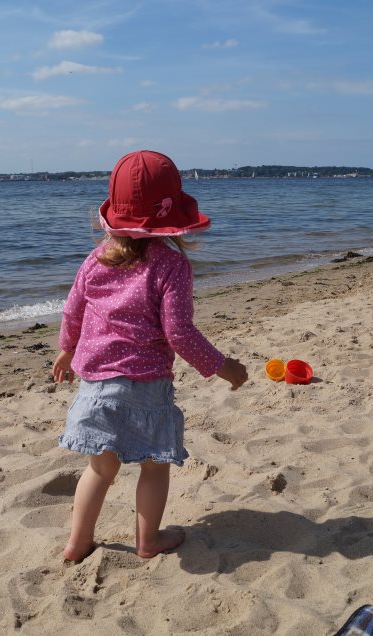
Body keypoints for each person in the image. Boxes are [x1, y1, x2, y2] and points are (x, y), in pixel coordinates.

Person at [53, 150, 248, 562]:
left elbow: (73, 310)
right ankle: (148, 541)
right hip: (146, 386)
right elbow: (178, 332)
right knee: (154, 466)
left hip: (95, 386)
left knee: (100, 470)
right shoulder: (171, 266)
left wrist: (66, 351)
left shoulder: (94, 261)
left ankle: (77, 542)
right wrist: (222, 366)